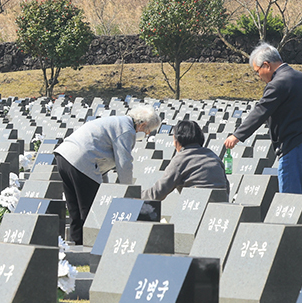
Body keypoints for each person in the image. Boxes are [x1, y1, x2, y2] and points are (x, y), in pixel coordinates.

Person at [224, 43, 302, 195]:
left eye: (258, 71)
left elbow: (260, 111)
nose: (259, 76)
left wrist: (236, 136)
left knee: (290, 201)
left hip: (294, 147)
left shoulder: (277, 84)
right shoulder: (301, 77)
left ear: (266, 65)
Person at [54, 104, 162, 245]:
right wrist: (129, 192)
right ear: (143, 125)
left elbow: (102, 159)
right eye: (148, 131)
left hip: (64, 156)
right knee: (90, 208)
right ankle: (90, 245)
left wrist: (104, 187)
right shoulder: (127, 130)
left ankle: (77, 243)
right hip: (82, 161)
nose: (147, 134)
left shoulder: (118, 122)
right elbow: (124, 162)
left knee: (74, 207)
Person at [141, 119, 230, 202]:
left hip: (195, 204)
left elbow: (158, 192)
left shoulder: (180, 159)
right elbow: (226, 186)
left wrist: (136, 194)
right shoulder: (213, 156)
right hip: (220, 204)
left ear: (178, 140)